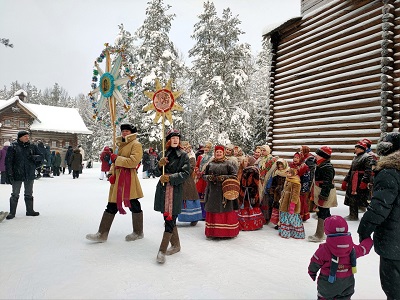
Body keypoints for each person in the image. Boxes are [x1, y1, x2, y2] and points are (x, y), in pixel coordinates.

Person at [358, 132, 400, 300]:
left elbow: (379, 208)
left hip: (394, 243)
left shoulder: (390, 173)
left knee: (394, 290)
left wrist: (365, 230)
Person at [86, 123, 144, 243]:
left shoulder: (136, 145)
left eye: (127, 131)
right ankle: (102, 233)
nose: (124, 133)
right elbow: (114, 162)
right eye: (123, 131)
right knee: (112, 204)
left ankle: (138, 231)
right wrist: (111, 173)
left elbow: (133, 162)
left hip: (129, 179)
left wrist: (117, 159)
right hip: (118, 178)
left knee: (133, 203)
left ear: (132, 132)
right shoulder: (119, 145)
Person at [309, 215, 373, 300]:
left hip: (327, 285)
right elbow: (363, 249)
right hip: (346, 284)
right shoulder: (351, 248)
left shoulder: (324, 250)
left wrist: (312, 273)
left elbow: (315, 263)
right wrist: (368, 240)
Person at [153, 129, 190, 264]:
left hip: (175, 190)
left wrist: (170, 178)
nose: (175, 140)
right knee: (167, 217)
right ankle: (176, 245)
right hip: (162, 190)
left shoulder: (184, 156)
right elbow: (156, 173)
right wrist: (159, 165)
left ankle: (162, 251)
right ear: (168, 140)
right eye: (172, 138)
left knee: (170, 218)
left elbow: (186, 173)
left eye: (177, 138)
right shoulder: (163, 154)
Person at [5, 130, 43, 219]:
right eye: (25, 136)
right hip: (17, 174)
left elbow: (41, 157)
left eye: (28, 136)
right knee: (15, 194)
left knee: (29, 193)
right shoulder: (13, 147)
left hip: (29, 174)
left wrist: (35, 159)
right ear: (20, 137)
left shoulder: (32, 146)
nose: (27, 137)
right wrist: (9, 173)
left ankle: (30, 211)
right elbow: (8, 162)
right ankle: (12, 213)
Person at [203, 144, 239, 239]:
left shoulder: (228, 163)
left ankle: (227, 232)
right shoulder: (210, 164)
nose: (218, 154)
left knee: (225, 209)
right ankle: (213, 232)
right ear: (214, 153)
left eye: (220, 152)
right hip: (212, 191)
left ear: (223, 153)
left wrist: (224, 177)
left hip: (225, 192)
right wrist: (209, 177)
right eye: (217, 152)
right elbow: (203, 175)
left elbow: (234, 175)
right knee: (213, 210)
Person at [308, 146, 337, 242]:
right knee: (325, 212)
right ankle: (329, 230)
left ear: (323, 156)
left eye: (318, 155)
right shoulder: (321, 165)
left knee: (322, 213)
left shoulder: (327, 167)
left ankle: (319, 234)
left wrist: (323, 196)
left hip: (325, 192)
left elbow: (327, 184)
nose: (316, 156)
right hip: (320, 190)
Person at [342, 141, 372, 221]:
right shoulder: (355, 157)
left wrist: (364, 181)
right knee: (352, 198)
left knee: (358, 199)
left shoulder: (367, 157)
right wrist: (346, 180)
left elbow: (368, 171)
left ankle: (364, 216)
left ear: (362, 149)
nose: (355, 149)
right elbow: (351, 170)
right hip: (353, 180)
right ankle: (352, 215)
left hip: (359, 180)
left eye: (357, 148)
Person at [178, 141, 202, 226]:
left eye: (186, 148)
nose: (185, 150)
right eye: (183, 148)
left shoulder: (191, 157)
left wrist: (181, 170)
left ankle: (194, 217)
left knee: (190, 197)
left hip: (187, 180)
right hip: (179, 179)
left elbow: (191, 168)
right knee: (178, 197)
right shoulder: (178, 155)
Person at [278, 167, 305, 239]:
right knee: (284, 217)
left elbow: (295, 194)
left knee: (293, 218)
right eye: (287, 172)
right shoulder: (287, 180)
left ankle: (297, 234)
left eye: (290, 173)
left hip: (291, 202)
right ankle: (285, 232)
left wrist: (293, 204)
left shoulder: (296, 182)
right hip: (284, 202)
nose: (288, 174)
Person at [195, 141, 213, 219]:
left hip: (207, 179)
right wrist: (198, 171)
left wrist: (205, 172)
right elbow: (196, 166)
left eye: (208, 148)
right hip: (200, 179)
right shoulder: (200, 157)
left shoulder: (212, 158)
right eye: (205, 147)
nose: (206, 149)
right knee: (199, 196)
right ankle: (200, 213)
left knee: (207, 196)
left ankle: (206, 214)